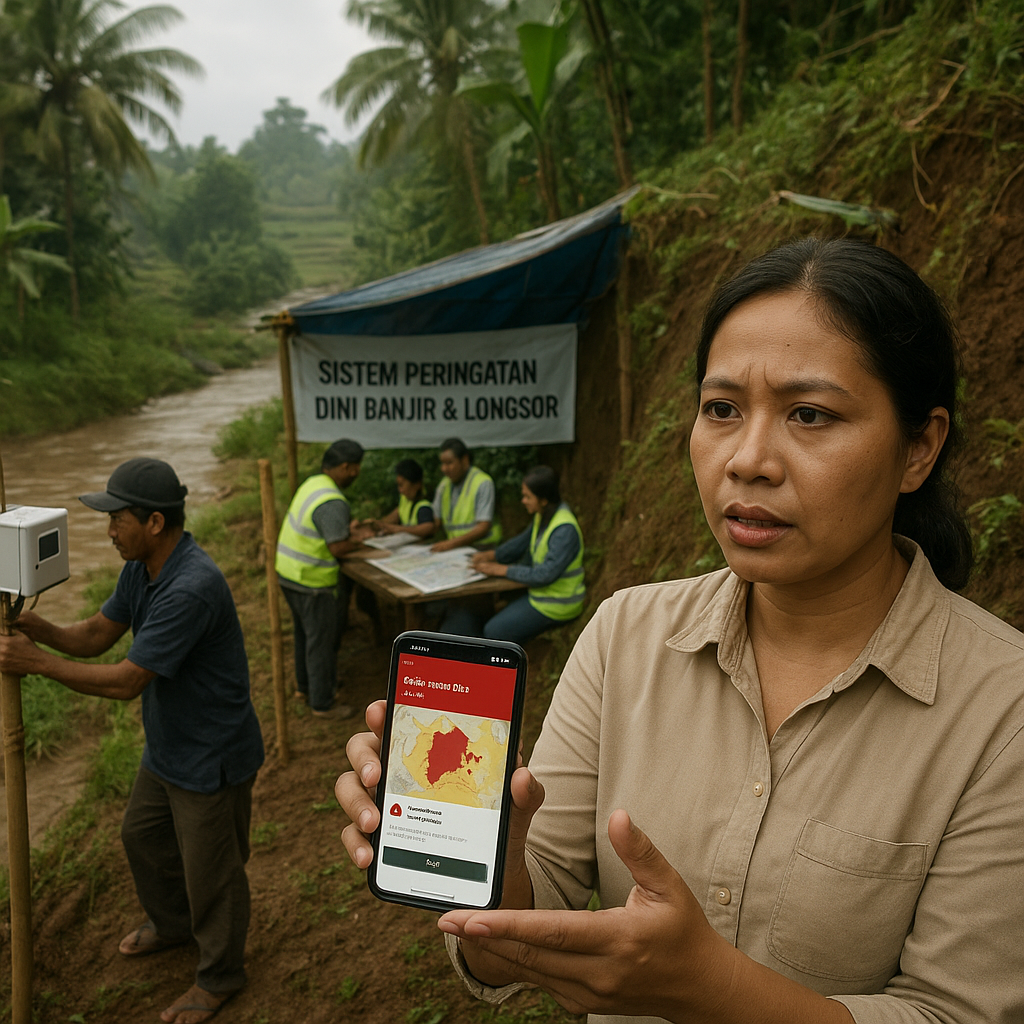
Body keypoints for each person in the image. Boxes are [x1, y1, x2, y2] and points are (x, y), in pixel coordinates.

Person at [336, 239, 1024, 1024]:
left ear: (918, 448)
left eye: (811, 414)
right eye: (722, 409)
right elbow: (515, 930)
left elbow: (959, 1012)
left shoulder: (1004, 711)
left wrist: (710, 990)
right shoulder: (625, 634)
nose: (749, 460)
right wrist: (482, 856)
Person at [0, 457, 265, 1024]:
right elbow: (97, 634)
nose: (108, 530)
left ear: (153, 523)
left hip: (211, 754)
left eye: (117, 518)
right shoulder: (139, 569)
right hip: (171, 745)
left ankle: (220, 977)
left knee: (211, 872)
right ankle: (173, 926)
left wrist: (38, 664)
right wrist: (36, 629)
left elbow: (125, 681)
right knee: (141, 837)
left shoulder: (190, 587)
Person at [275, 438, 373, 718]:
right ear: (345, 467)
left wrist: (347, 531)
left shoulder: (313, 484)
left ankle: (304, 687)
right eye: (355, 469)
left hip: (289, 573)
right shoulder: (333, 500)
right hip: (312, 582)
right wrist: (361, 541)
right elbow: (338, 547)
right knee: (321, 641)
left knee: (304, 635)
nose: (357, 474)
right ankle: (322, 703)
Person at [469, 466, 585, 644]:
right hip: (541, 595)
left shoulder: (564, 530)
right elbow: (521, 542)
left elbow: (544, 574)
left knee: (494, 630)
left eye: (527, 496)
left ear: (544, 499)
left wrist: (502, 570)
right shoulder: (544, 515)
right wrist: (492, 555)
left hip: (558, 604)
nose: (523, 500)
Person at [430, 438, 502, 552]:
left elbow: (483, 526)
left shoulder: (482, 482)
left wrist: (451, 544)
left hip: (482, 548)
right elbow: (435, 523)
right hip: (456, 549)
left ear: (464, 460)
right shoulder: (444, 485)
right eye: (442, 464)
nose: (444, 469)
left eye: (449, 463)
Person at [372, 458, 435, 539]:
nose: (400, 490)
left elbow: (428, 527)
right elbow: (394, 516)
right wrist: (376, 524)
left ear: (417, 484)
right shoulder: (405, 500)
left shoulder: (424, 506)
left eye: (402, 485)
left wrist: (397, 529)